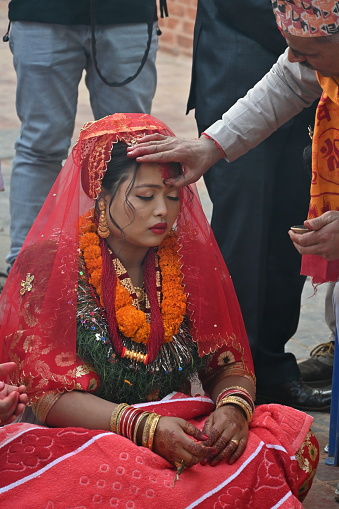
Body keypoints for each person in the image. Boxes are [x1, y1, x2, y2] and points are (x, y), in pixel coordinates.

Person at [0, 114, 318, 507]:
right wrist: (145, 429)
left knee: (286, 440)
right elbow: (47, 393)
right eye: (145, 196)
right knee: (109, 479)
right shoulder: (54, 266)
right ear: (101, 195)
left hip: (176, 427)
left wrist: (233, 407)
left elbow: (226, 363)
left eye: (172, 196)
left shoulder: (185, 262)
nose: (163, 213)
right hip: (88, 435)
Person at [128, 0, 339, 408]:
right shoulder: (310, 61)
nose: (297, 60)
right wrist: (210, 147)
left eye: (308, 53)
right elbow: (289, 81)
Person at [186, 0, 321, 410]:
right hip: (239, 54)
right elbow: (292, 75)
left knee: (294, 224)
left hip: (311, 48)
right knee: (245, 230)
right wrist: (308, 31)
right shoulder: (308, 47)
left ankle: (273, 367)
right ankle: (229, 371)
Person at [5, 0, 163, 270]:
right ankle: (27, 269)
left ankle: (128, 270)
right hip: (42, 15)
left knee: (129, 148)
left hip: (127, 16)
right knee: (40, 146)